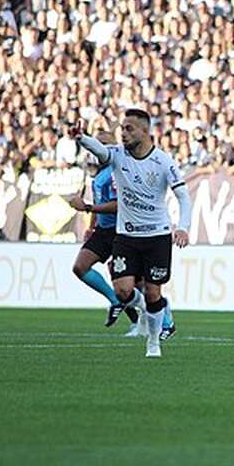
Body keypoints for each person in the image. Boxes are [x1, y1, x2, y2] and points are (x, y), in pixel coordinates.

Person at [72, 109, 192, 358]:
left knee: (152, 292)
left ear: (146, 132)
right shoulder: (117, 155)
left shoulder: (163, 161)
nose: (123, 134)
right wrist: (81, 138)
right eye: (122, 128)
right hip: (126, 236)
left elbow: (183, 196)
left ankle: (153, 342)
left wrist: (183, 227)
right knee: (123, 291)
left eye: (129, 129)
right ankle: (145, 314)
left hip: (157, 236)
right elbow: (100, 150)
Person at [67, 129, 137, 328]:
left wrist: (88, 208)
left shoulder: (116, 171)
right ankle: (115, 302)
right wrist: (92, 225)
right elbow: (101, 201)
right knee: (80, 267)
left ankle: (155, 322)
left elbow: (117, 205)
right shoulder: (99, 174)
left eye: (102, 146)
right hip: (103, 231)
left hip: (120, 232)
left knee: (125, 283)